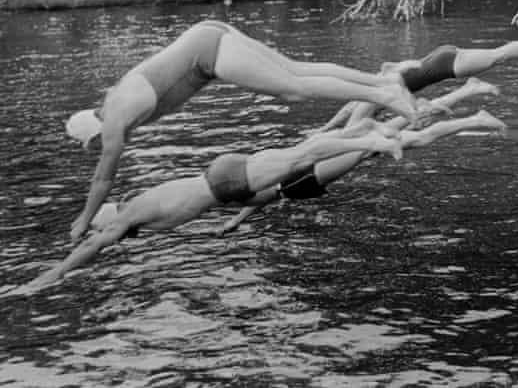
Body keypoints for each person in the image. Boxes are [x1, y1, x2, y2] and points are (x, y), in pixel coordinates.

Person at [63, 20, 420, 242]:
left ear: (93, 134)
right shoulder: (117, 105)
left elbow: (103, 181)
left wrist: (84, 219)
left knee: (294, 87)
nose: (100, 150)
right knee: (296, 72)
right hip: (209, 37)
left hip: (210, 53)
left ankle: (383, 93)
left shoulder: (112, 120)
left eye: (93, 147)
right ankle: (383, 78)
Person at [14, 123, 407, 293]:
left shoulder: (128, 216)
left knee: (302, 156)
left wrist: (56, 272)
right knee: (292, 176)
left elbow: (91, 247)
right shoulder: (135, 212)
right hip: (226, 190)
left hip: (224, 181)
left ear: (108, 221)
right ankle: (364, 136)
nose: (108, 238)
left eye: (105, 230)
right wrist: (237, 220)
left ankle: (369, 139)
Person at [218, 77, 505, 235]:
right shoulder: (244, 184)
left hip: (302, 179)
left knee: (372, 141)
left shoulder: (241, 188)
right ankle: (469, 104)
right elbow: (259, 199)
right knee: (413, 136)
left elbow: (263, 196)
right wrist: (234, 222)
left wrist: (234, 220)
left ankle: (443, 108)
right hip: (303, 172)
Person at [309, 36, 518, 134]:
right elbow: (346, 112)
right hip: (438, 57)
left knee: (501, 54)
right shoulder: (369, 92)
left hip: (443, 67)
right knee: (500, 53)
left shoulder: (378, 95)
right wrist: (323, 129)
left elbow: (353, 121)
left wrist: (418, 111)